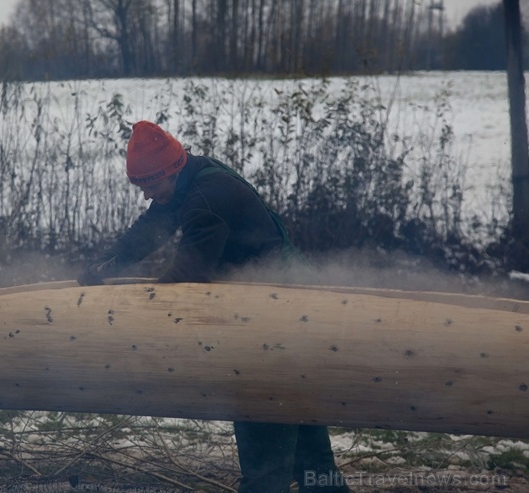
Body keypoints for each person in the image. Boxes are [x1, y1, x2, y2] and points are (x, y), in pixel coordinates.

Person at [78, 120, 351, 493]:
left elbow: (188, 276)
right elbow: (149, 229)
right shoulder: (188, 178)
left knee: (263, 423)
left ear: (171, 171)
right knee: (304, 426)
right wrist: (107, 263)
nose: (146, 196)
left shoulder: (209, 196)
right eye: (140, 188)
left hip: (277, 312)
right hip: (273, 300)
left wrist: (139, 313)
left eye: (151, 187)